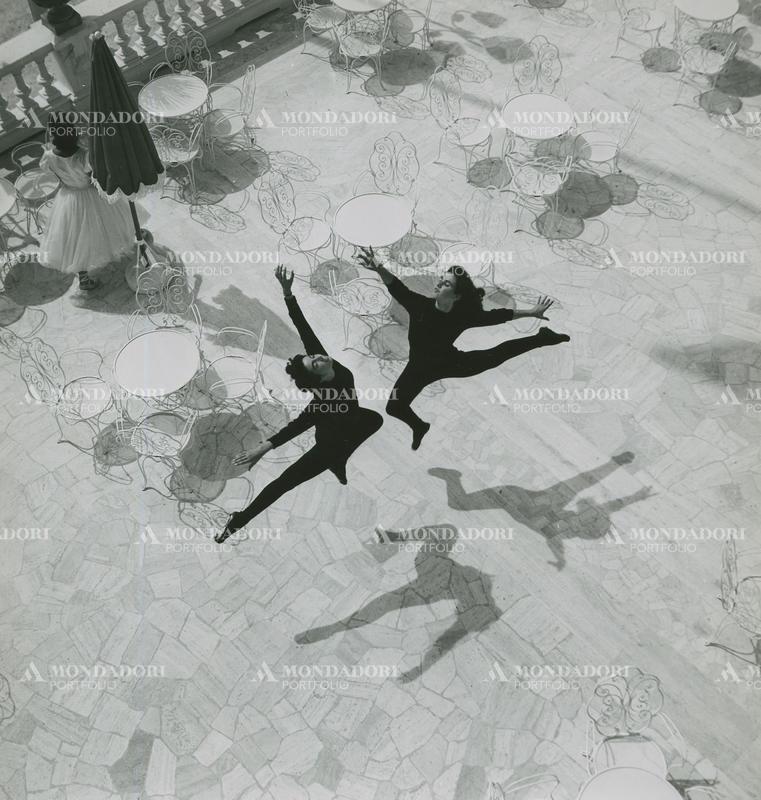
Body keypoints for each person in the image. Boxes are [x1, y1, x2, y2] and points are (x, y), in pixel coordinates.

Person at [216, 265, 384, 543]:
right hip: (329, 443)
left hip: (355, 422)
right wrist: (265, 446)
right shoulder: (324, 401)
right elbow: (300, 423)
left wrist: (287, 293)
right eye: (315, 363)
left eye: (315, 357)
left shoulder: (323, 360)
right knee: (284, 483)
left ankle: (341, 460)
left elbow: (303, 328)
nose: (319, 358)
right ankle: (239, 520)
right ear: (317, 379)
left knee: (375, 419)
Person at [357, 246, 570, 449]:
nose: (440, 284)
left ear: (457, 295)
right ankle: (420, 426)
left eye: (447, 284)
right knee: (394, 407)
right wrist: (378, 267)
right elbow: (396, 286)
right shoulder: (419, 306)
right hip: (418, 368)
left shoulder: (463, 316)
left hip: (450, 363)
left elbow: (498, 317)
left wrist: (532, 312)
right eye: (442, 280)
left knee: (496, 356)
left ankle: (543, 338)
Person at [38, 123, 135, 291]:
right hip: (91, 195)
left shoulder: (48, 156)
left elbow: (52, 173)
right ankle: (120, 246)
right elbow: (95, 178)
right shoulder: (84, 155)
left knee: (75, 239)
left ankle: (83, 278)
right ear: (74, 136)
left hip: (68, 197)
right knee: (108, 224)